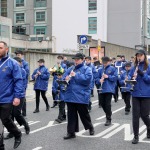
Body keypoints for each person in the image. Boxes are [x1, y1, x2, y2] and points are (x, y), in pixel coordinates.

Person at [63, 53, 95, 139]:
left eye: (77, 59)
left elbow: (87, 80)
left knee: (84, 114)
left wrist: (76, 75)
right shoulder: (71, 68)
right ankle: (71, 132)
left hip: (81, 95)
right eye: (75, 59)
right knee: (71, 115)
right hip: (70, 95)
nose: (76, 61)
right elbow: (64, 76)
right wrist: (66, 78)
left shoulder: (87, 68)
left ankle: (90, 127)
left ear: (82, 59)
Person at [0, 41, 22, 149]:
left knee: (5, 119)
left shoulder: (12, 63)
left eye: (0, 48)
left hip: (6, 98)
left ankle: (17, 133)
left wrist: (17, 96)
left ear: (6, 49)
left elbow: (18, 80)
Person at [4, 57, 30, 140]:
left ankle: (25, 125)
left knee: (16, 113)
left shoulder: (22, 71)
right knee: (9, 114)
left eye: (17, 62)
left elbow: (21, 83)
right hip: (10, 95)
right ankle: (11, 132)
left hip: (19, 95)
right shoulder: (11, 69)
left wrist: (19, 94)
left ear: (20, 63)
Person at [129, 49, 150, 144]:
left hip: (146, 94)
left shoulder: (148, 66)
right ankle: (136, 136)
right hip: (136, 94)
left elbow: (149, 80)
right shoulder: (134, 67)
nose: (139, 57)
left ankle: (149, 127)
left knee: (144, 115)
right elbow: (129, 77)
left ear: (144, 56)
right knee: (135, 116)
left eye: (141, 55)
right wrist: (130, 79)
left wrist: (142, 74)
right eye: (137, 56)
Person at [95, 56, 117, 126]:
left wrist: (108, 77)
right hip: (101, 88)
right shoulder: (100, 69)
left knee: (107, 104)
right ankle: (108, 113)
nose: (104, 64)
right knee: (102, 103)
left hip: (109, 89)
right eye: (103, 62)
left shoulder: (113, 68)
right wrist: (99, 80)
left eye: (105, 63)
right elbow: (96, 78)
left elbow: (116, 78)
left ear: (108, 62)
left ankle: (108, 119)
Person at [15, 50, 29, 117]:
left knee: (23, 97)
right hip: (17, 83)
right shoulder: (14, 62)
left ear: (22, 55)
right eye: (17, 55)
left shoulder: (25, 63)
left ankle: (24, 112)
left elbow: (26, 74)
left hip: (23, 83)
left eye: (19, 55)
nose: (18, 56)